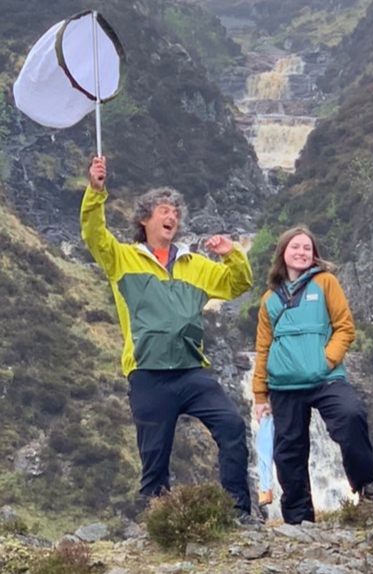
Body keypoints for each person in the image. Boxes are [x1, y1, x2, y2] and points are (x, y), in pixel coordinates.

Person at [81, 156, 257, 523]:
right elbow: (94, 236)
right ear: (144, 219)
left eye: (175, 212)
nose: (171, 216)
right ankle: (156, 524)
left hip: (191, 370)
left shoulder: (194, 264)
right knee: (155, 456)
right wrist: (96, 191)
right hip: (148, 371)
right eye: (164, 210)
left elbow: (237, 284)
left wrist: (232, 255)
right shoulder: (123, 259)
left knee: (232, 425)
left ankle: (238, 512)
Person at [252, 225, 373, 524]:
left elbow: (345, 327)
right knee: (288, 450)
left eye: (307, 248)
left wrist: (325, 361)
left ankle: (366, 485)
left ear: (314, 255)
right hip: (284, 385)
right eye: (295, 247)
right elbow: (263, 348)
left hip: (326, 378)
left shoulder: (326, 283)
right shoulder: (269, 300)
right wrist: (260, 395)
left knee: (351, 414)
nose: (301, 252)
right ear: (282, 254)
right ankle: (298, 518)